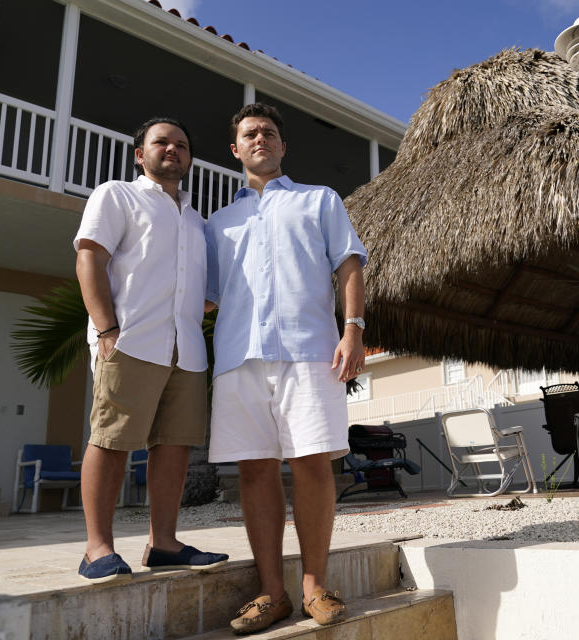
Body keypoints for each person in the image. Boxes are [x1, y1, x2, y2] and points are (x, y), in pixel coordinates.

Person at [205, 102, 366, 634]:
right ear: (235, 149)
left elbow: (348, 264)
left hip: (310, 350)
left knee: (313, 463)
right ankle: (272, 593)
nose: (260, 139)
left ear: (282, 145)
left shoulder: (318, 201)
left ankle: (314, 585)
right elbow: (203, 297)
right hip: (237, 357)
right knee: (253, 468)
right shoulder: (218, 224)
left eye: (269, 133)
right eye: (249, 133)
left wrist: (353, 329)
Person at [74, 117, 228, 583]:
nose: (173, 150)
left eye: (182, 145)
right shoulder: (116, 195)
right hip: (130, 340)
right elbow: (89, 258)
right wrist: (107, 330)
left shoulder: (199, 222)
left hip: (186, 351)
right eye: (161, 143)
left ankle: (164, 543)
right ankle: (96, 549)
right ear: (140, 153)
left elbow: (207, 293)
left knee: (175, 446)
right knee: (112, 440)